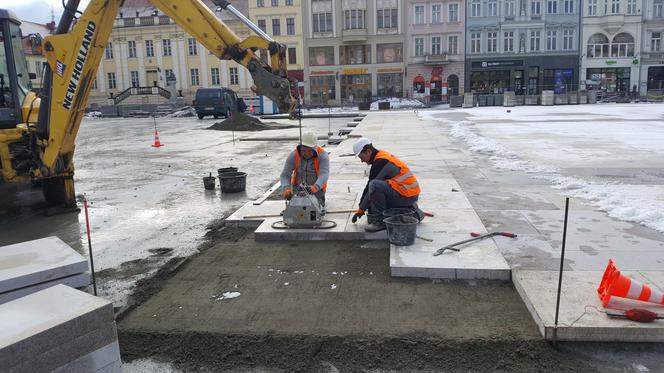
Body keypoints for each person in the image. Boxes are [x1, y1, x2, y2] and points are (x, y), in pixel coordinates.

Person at [351, 137, 422, 232]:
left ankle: (380, 222)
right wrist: (365, 207)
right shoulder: (382, 156)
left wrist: (361, 209)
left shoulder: (381, 162)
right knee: (373, 203)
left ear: (368, 151)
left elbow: (370, 187)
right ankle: (415, 212)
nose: (362, 161)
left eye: (361, 157)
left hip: (406, 195)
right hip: (408, 194)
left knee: (375, 185)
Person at [280, 132, 329, 206]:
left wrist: (316, 187)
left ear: (315, 148)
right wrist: (286, 188)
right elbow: (285, 175)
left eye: (309, 151)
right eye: (304, 151)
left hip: (316, 191)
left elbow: (324, 174)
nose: (306, 153)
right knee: (295, 209)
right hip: (297, 190)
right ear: (300, 148)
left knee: (315, 208)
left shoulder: (322, 155)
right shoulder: (294, 155)